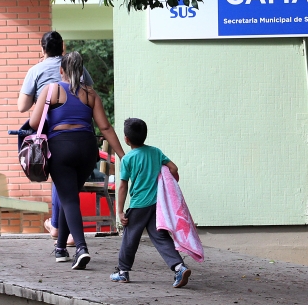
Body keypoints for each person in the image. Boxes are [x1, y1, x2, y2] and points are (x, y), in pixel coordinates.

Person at [29, 52, 125, 269]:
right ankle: (61, 248)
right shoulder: (90, 94)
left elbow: (35, 123)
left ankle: (81, 248)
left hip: (61, 150)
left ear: (61, 70)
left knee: (69, 199)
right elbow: (105, 127)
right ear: (81, 72)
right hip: (87, 150)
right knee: (69, 195)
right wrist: (122, 155)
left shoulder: (51, 90)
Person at [17, 31, 94, 246]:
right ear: (63, 47)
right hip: (82, 135)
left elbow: (22, 106)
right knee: (68, 186)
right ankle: (61, 233)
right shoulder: (76, 67)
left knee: (61, 178)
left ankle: (59, 228)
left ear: (42, 49)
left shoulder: (36, 70)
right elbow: (89, 92)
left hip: (54, 131)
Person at [110, 118, 191, 288]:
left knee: (130, 237)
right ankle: (179, 267)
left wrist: (120, 211)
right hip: (157, 205)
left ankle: (123, 272)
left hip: (139, 204)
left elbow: (123, 186)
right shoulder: (155, 152)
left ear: (126, 139)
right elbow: (174, 168)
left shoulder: (127, 159)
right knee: (160, 236)